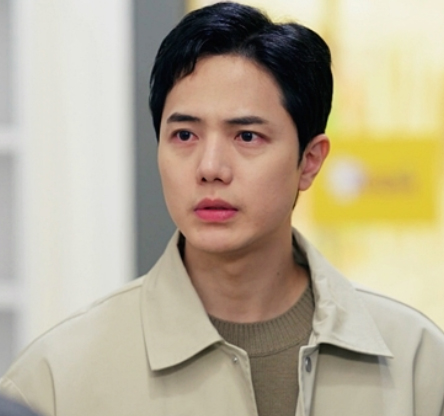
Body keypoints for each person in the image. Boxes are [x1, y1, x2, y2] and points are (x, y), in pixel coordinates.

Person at [1, 2, 444, 415]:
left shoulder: (417, 363)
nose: (210, 168)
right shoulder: (56, 378)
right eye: (185, 136)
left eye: (247, 136)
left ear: (309, 161)